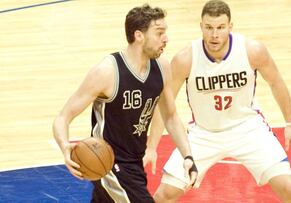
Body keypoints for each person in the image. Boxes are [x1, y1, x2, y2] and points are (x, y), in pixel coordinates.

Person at [145, 0, 291, 202]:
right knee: (163, 195)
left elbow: (277, 83)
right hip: (203, 133)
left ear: (230, 27)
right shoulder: (185, 59)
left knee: (288, 187)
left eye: (221, 28)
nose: (214, 34)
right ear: (201, 26)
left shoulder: (252, 50)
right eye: (209, 28)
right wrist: (151, 147)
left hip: (247, 129)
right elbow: (165, 107)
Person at [52, 4, 198, 203]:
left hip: (134, 163)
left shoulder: (162, 67)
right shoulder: (107, 72)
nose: (166, 38)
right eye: (159, 33)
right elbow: (63, 117)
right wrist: (64, 145)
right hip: (108, 162)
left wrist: (187, 156)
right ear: (139, 35)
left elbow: (170, 116)